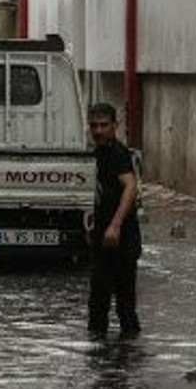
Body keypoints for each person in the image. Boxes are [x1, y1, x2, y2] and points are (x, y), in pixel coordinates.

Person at [86, 102, 142, 338]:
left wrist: (115, 225)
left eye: (104, 125)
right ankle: (101, 356)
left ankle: (125, 357)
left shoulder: (118, 153)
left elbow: (131, 186)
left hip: (122, 236)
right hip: (103, 234)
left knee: (124, 301)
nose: (98, 131)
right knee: (98, 299)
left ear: (115, 126)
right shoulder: (98, 152)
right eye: (94, 126)